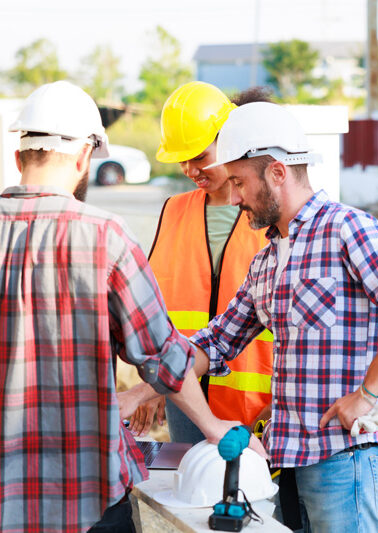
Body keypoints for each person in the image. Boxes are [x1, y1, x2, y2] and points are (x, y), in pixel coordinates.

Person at [0, 81, 258, 533]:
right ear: (84, 158)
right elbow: (159, 352)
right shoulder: (105, 235)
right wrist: (211, 425)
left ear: (19, 158)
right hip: (87, 491)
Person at [186, 102, 378, 533]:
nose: (233, 198)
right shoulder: (267, 260)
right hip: (287, 459)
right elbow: (216, 342)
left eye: (240, 183)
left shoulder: (347, 228)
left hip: (344, 456)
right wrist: (146, 386)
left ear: (278, 173)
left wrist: (369, 394)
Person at [125, 82, 274, 443]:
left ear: (229, 143)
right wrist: (156, 382)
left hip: (261, 401)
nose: (190, 169)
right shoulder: (174, 211)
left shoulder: (270, 213)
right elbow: (158, 310)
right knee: (196, 495)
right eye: (182, 159)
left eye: (199, 156)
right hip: (187, 401)